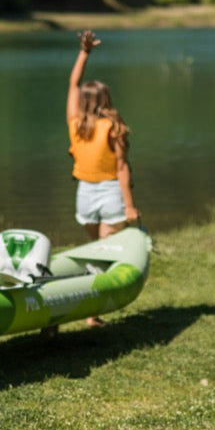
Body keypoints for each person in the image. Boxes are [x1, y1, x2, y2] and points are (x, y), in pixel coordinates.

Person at [66, 30, 140, 328]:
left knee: (98, 251)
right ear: (106, 99)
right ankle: (91, 313)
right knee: (105, 254)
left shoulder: (75, 124)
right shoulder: (114, 126)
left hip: (84, 193)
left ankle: (90, 312)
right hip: (108, 193)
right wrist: (130, 206)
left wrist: (84, 52)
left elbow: (72, 84)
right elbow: (122, 168)